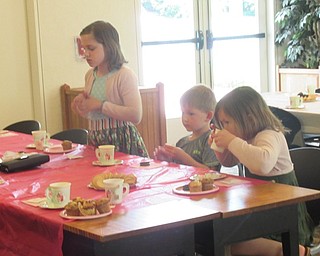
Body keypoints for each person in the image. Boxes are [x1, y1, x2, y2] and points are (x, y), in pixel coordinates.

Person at [208, 86, 319, 256]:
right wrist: (219, 147)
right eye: (222, 124)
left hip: (283, 211)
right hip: (261, 207)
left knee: (230, 244)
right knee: (226, 237)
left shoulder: (269, 135)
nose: (225, 128)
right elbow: (229, 161)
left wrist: (231, 141)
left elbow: (262, 164)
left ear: (250, 119)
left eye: (227, 122)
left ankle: (294, 250)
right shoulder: (246, 137)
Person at [71, 21, 148, 157]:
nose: (86, 53)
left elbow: (136, 115)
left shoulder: (124, 75)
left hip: (120, 140)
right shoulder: (90, 75)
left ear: (108, 46)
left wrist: (101, 106)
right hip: (96, 138)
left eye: (91, 48)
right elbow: (93, 114)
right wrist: (81, 105)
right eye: (84, 48)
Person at [154, 84, 219, 170]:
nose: (185, 118)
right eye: (183, 113)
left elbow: (212, 173)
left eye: (191, 114)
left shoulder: (211, 141)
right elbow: (177, 168)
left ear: (208, 116)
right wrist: (166, 159)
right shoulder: (182, 142)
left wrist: (184, 158)